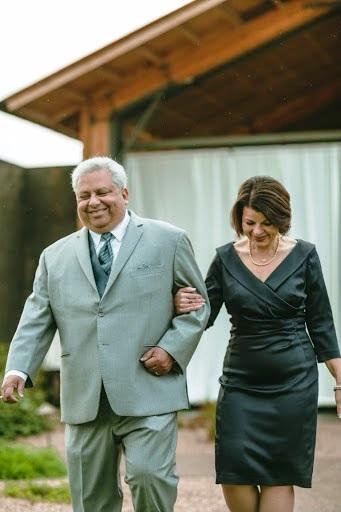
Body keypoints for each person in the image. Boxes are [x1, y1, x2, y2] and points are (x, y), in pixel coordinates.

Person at [1, 156, 210, 512]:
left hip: (149, 388)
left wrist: (171, 350)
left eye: (102, 192)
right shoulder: (55, 256)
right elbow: (37, 316)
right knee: (90, 498)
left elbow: (198, 306)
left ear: (124, 193)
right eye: (84, 196)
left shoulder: (169, 240)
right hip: (85, 396)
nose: (93, 202)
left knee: (149, 478)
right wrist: (18, 369)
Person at [174, 176, 341, 512]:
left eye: (267, 223)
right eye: (250, 222)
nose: (258, 231)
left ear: (282, 219)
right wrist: (179, 303)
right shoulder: (224, 259)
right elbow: (203, 315)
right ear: (239, 218)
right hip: (240, 382)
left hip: (294, 383)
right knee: (234, 470)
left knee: (279, 474)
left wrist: (340, 380)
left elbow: (321, 323)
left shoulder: (305, 255)